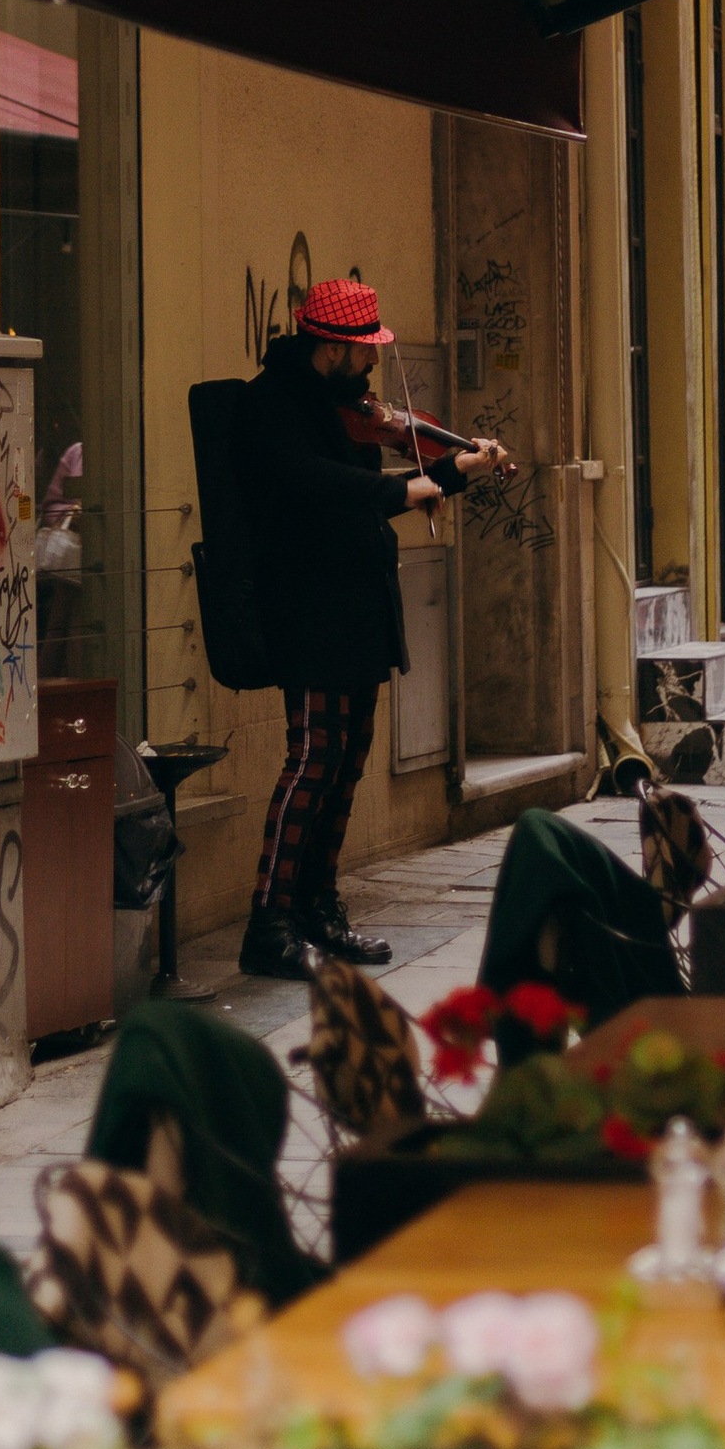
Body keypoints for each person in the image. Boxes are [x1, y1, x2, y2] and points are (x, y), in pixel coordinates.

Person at [236, 276, 506, 981]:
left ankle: (320, 910)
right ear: (330, 347)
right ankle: (269, 922)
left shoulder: (338, 403)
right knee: (311, 762)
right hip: (309, 607)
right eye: (363, 353)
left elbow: (372, 479)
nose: (371, 369)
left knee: (346, 765)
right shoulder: (271, 406)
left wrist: (445, 466)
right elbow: (332, 490)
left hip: (356, 606)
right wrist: (435, 479)